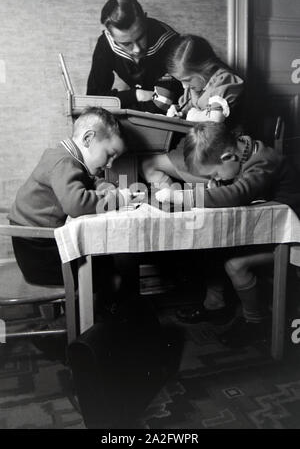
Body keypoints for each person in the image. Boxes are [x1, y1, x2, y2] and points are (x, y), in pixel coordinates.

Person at [155, 121, 300, 347]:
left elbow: (237, 195)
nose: (217, 180)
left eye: (215, 174)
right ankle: (216, 305)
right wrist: (217, 184)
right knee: (211, 243)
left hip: (291, 240)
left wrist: (184, 197)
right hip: (270, 231)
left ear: (227, 157)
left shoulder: (264, 160)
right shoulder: (242, 152)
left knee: (235, 264)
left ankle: (255, 324)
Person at [8, 106, 140, 302]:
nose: (111, 164)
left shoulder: (69, 158)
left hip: (37, 245)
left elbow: (86, 179)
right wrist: (119, 199)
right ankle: (110, 319)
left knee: (107, 261)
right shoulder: (63, 162)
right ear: (88, 139)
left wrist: (103, 185)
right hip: (38, 253)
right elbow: (76, 203)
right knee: (110, 265)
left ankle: (110, 313)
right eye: (110, 154)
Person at [141, 34, 244, 186]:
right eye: (180, 81)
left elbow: (215, 118)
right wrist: (177, 112)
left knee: (149, 164)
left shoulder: (224, 82)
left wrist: (193, 115)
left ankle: (201, 191)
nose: (184, 86)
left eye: (187, 80)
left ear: (205, 66)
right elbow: (188, 107)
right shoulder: (196, 86)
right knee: (147, 162)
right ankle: (180, 196)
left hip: (220, 151)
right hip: (202, 146)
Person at [87, 0, 182, 113]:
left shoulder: (171, 43)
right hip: (138, 113)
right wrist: (137, 95)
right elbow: (94, 99)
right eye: (126, 44)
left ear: (145, 19)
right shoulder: (105, 44)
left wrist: (114, 107)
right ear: (111, 36)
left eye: (140, 37)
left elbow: (161, 105)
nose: (137, 49)